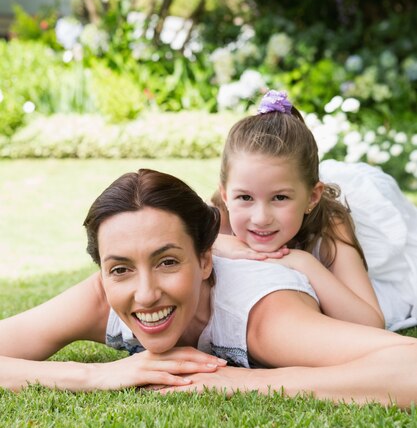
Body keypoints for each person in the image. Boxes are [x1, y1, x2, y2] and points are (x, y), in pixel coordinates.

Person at [2, 167, 417, 408]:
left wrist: (242, 382)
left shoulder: (261, 318)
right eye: (120, 269)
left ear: (205, 259)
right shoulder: (102, 296)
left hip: (342, 268)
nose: (145, 294)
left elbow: (407, 364)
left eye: (167, 262)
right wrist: (98, 376)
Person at [212, 89, 417, 331]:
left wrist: (303, 262)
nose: (261, 218)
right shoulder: (219, 213)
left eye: (280, 197)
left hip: (380, 237)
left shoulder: (331, 224)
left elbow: (371, 322)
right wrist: (225, 245)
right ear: (226, 195)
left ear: (312, 197)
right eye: (245, 197)